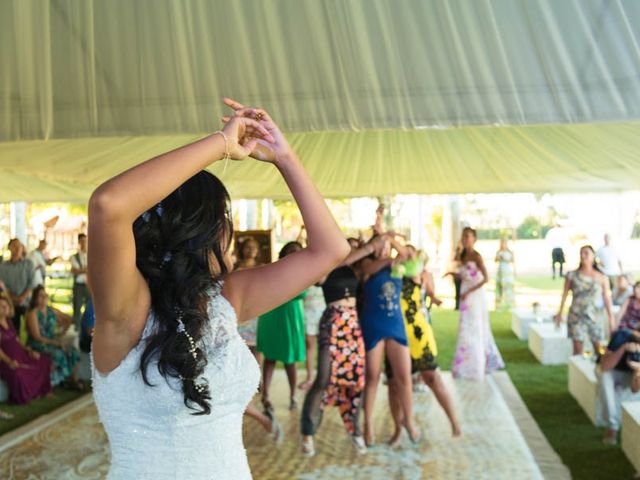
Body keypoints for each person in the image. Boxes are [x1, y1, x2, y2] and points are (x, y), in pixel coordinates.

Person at [87, 98, 349, 478]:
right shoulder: (126, 308)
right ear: (203, 229)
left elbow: (331, 250)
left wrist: (285, 159)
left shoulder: (226, 298)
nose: (231, 231)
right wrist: (221, 145)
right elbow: (108, 205)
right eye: (224, 218)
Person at [300, 236, 383, 457]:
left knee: (356, 380)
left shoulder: (356, 270)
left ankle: (354, 430)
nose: (354, 251)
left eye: (356, 247)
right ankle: (308, 433)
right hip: (334, 321)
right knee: (324, 378)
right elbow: (335, 266)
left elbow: (373, 259)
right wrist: (366, 248)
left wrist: (376, 240)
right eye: (351, 247)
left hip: (352, 325)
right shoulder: (329, 265)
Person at [386, 246, 461, 442]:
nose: (405, 253)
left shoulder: (417, 271)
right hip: (395, 330)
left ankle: (454, 422)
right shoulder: (392, 272)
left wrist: (390, 237)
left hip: (418, 331)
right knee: (394, 384)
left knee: (432, 377)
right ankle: (397, 428)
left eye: (409, 252)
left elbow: (413, 260)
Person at [359, 233, 420, 446]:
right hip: (373, 324)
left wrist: (391, 239)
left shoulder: (398, 267)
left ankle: (409, 421)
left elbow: (411, 258)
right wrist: (385, 252)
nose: (385, 248)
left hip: (395, 324)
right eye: (381, 245)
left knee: (404, 376)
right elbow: (368, 270)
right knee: (373, 376)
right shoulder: (367, 264)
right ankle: (368, 424)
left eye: (388, 246)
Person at [257, 241, 307, 412]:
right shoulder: (273, 268)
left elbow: (303, 293)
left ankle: (293, 395)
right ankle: (265, 396)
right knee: (270, 358)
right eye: (291, 251)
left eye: (298, 251)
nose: (295, 254)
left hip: (290, 317)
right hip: (272, 315)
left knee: (289, 359)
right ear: (284, 252)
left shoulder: (304, 272)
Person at [452, 227, 505, 380]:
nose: (465, 239)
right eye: (464, 236)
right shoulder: (462, 254)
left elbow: (485, 278)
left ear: (474, 238)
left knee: (476, 327)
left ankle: (478, 365)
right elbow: (464, 274)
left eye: (468, 236)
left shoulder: (477, 256)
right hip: (465, 293)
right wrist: (452, 274)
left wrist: (470, 291)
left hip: (474, 295)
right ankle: (464, 365)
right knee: (465, 327)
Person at [555, 246, 615, 355]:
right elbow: (564, 295)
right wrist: (559, 314)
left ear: (593, 256)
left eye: (586, 253)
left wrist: (611, 318)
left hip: (595, 316)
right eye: (581, 253)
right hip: (576, 315)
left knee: (599, 349)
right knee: (578, 349)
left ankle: (598, 370)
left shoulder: (602, 277)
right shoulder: (572, 275)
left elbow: (607, 298)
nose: (583, 256)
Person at [26, 286, 83, 389]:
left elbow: (69, 319)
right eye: (40, 295)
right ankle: (58, 381)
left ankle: (72, 380)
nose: (44, 297)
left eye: (45, 295)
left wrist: (62, 331)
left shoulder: (51, 310)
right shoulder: (33, 314)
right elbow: (37, 337)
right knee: (58, 354)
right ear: (35, 298)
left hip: (52, 341)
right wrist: (56, 342)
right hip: (38, 344)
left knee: (73, 351)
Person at [0, 292, 52, 404]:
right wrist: (8, 361)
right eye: (1, 306)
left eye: (6, 306)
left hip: (21, 355)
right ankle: (25, 396)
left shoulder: (9, 322)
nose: (4, 309)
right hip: (6, 360)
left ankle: (40, 392)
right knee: (18, 373)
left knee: (43, 361)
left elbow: (17, 341)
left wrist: (29, 351)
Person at [597, 325, 640, 445]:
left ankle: (619, 425)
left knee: (626, 394)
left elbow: (635, 389)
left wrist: (637, 370)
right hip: (612, 370)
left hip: (631, 374)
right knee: (606, 382)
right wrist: (623, 348)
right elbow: (604, 367)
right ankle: (612, 427)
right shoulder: (621, 336)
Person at [234, 237, 263, 356]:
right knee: (239, 346)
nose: (250, 250)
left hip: (257, 309)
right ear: (242, 249)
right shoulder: (234, 267)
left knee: (257, 347)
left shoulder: (262, 267)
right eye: (247, 247)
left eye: (253, 247)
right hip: (239, 308)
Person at [0, 239, 36, 331]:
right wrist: (13, 299)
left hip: (27, 303)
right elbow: (3, 286)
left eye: (18, 246)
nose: (16, 249)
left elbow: (31, 284)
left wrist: (22, 297)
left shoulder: (28, 264)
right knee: (13, 330)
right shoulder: (3, 267)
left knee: (31, 329)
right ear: (9, 248)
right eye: (13, 246)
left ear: (22, 248)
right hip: (10, 304)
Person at [70, 234, 90, 332]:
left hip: (89, 285)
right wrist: (86, 269)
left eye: (85, 241)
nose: (84, 243)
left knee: (90, 308)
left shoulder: (91, 255)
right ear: (79, 242)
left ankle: (86, 331)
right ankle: (77, 332)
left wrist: (82, 270)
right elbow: (74, 271)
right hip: (79, 285)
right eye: (82, 241)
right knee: (77, 309)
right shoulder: (75, 257)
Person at [494, 238, 515, 311]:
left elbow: (513, 260)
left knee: (507, 288)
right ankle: (499, 305)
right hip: (501, 271)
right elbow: (495, 260)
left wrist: (506, 259)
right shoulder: (499, 252)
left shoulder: (510, 252)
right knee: (500, 288)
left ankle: (508, 304)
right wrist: (499, 258)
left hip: (507, 271)